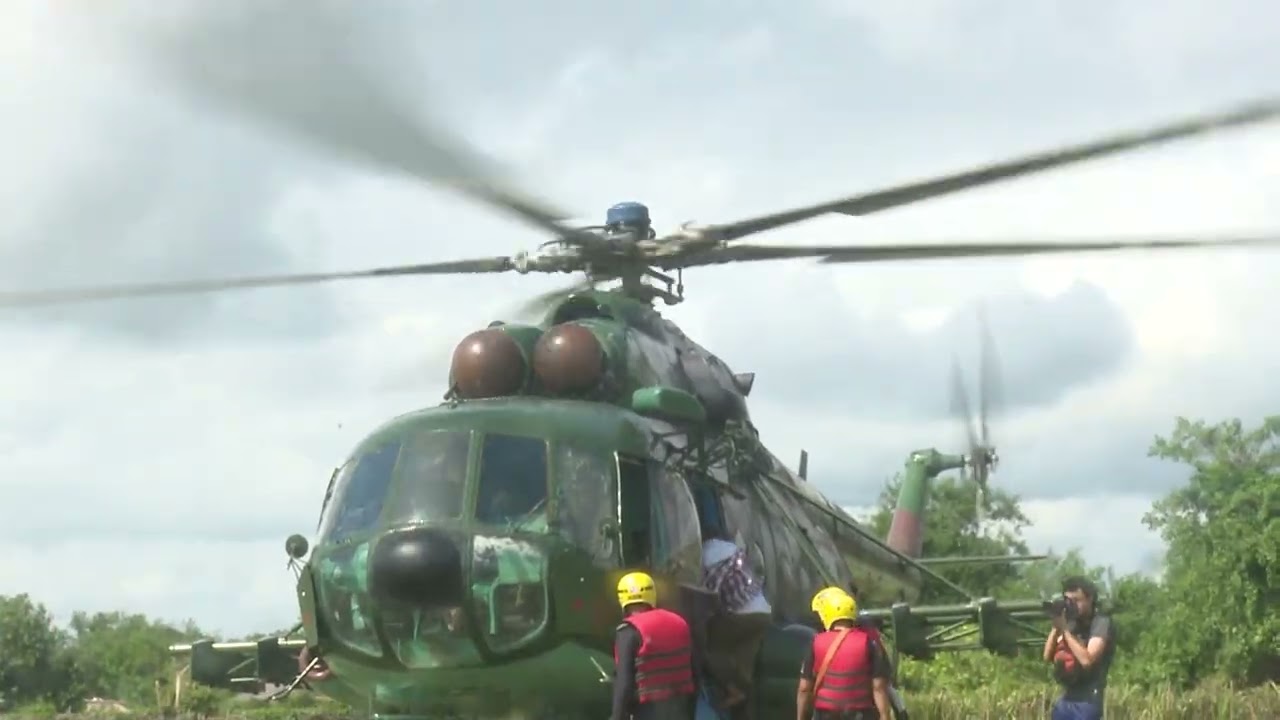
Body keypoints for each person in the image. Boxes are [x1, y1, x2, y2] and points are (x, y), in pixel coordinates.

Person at [701, 533, 772, 719]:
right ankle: (741, 702)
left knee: (711, 649)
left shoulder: (710, 555)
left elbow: (711, 594)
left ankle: (732, 690)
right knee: (744, 663)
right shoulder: (738, 555)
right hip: (763, 611)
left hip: (743, 614)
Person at [611, 571, 698, 720]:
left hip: (648, 710)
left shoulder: (628, 631)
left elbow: (624, 682)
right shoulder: (679, 622)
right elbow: (693, 667)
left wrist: (616, 717)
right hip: (680, 707)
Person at [797, 587, 891, 720]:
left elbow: (804, 688)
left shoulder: (817, 642)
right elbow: (879, 687)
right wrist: (885, 715)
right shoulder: (868, 642)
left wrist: (801, 717)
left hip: (825, 714)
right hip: (861, 714)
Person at [1042, 576, 1116, 720]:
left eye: (1077, 600)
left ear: (1090, 599)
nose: (1072, 605)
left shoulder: (1101, 622)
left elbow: (1087, 660)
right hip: (1067, 696)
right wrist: (1056, 626)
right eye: (1069, 600)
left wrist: (1064, 629)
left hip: (1088, 698)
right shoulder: (1070, 623)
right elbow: (1047, 657)